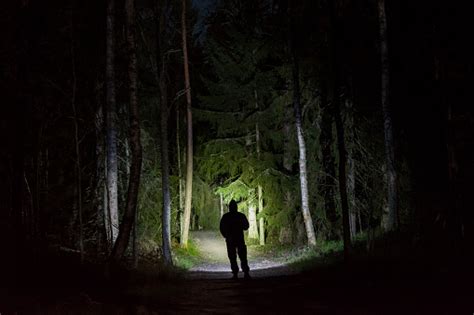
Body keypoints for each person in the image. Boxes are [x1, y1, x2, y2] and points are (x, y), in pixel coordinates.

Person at [219, 200, 251, 279]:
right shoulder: (240, 216)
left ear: (229, 208)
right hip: (239, 239)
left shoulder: (226, 217)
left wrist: (226, 236)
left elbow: (221, 228)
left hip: (230, 240)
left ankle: (235, 273)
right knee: (242, 256)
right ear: (236, 207)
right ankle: (245, 272)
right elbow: (246, 226)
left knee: (232, 257)